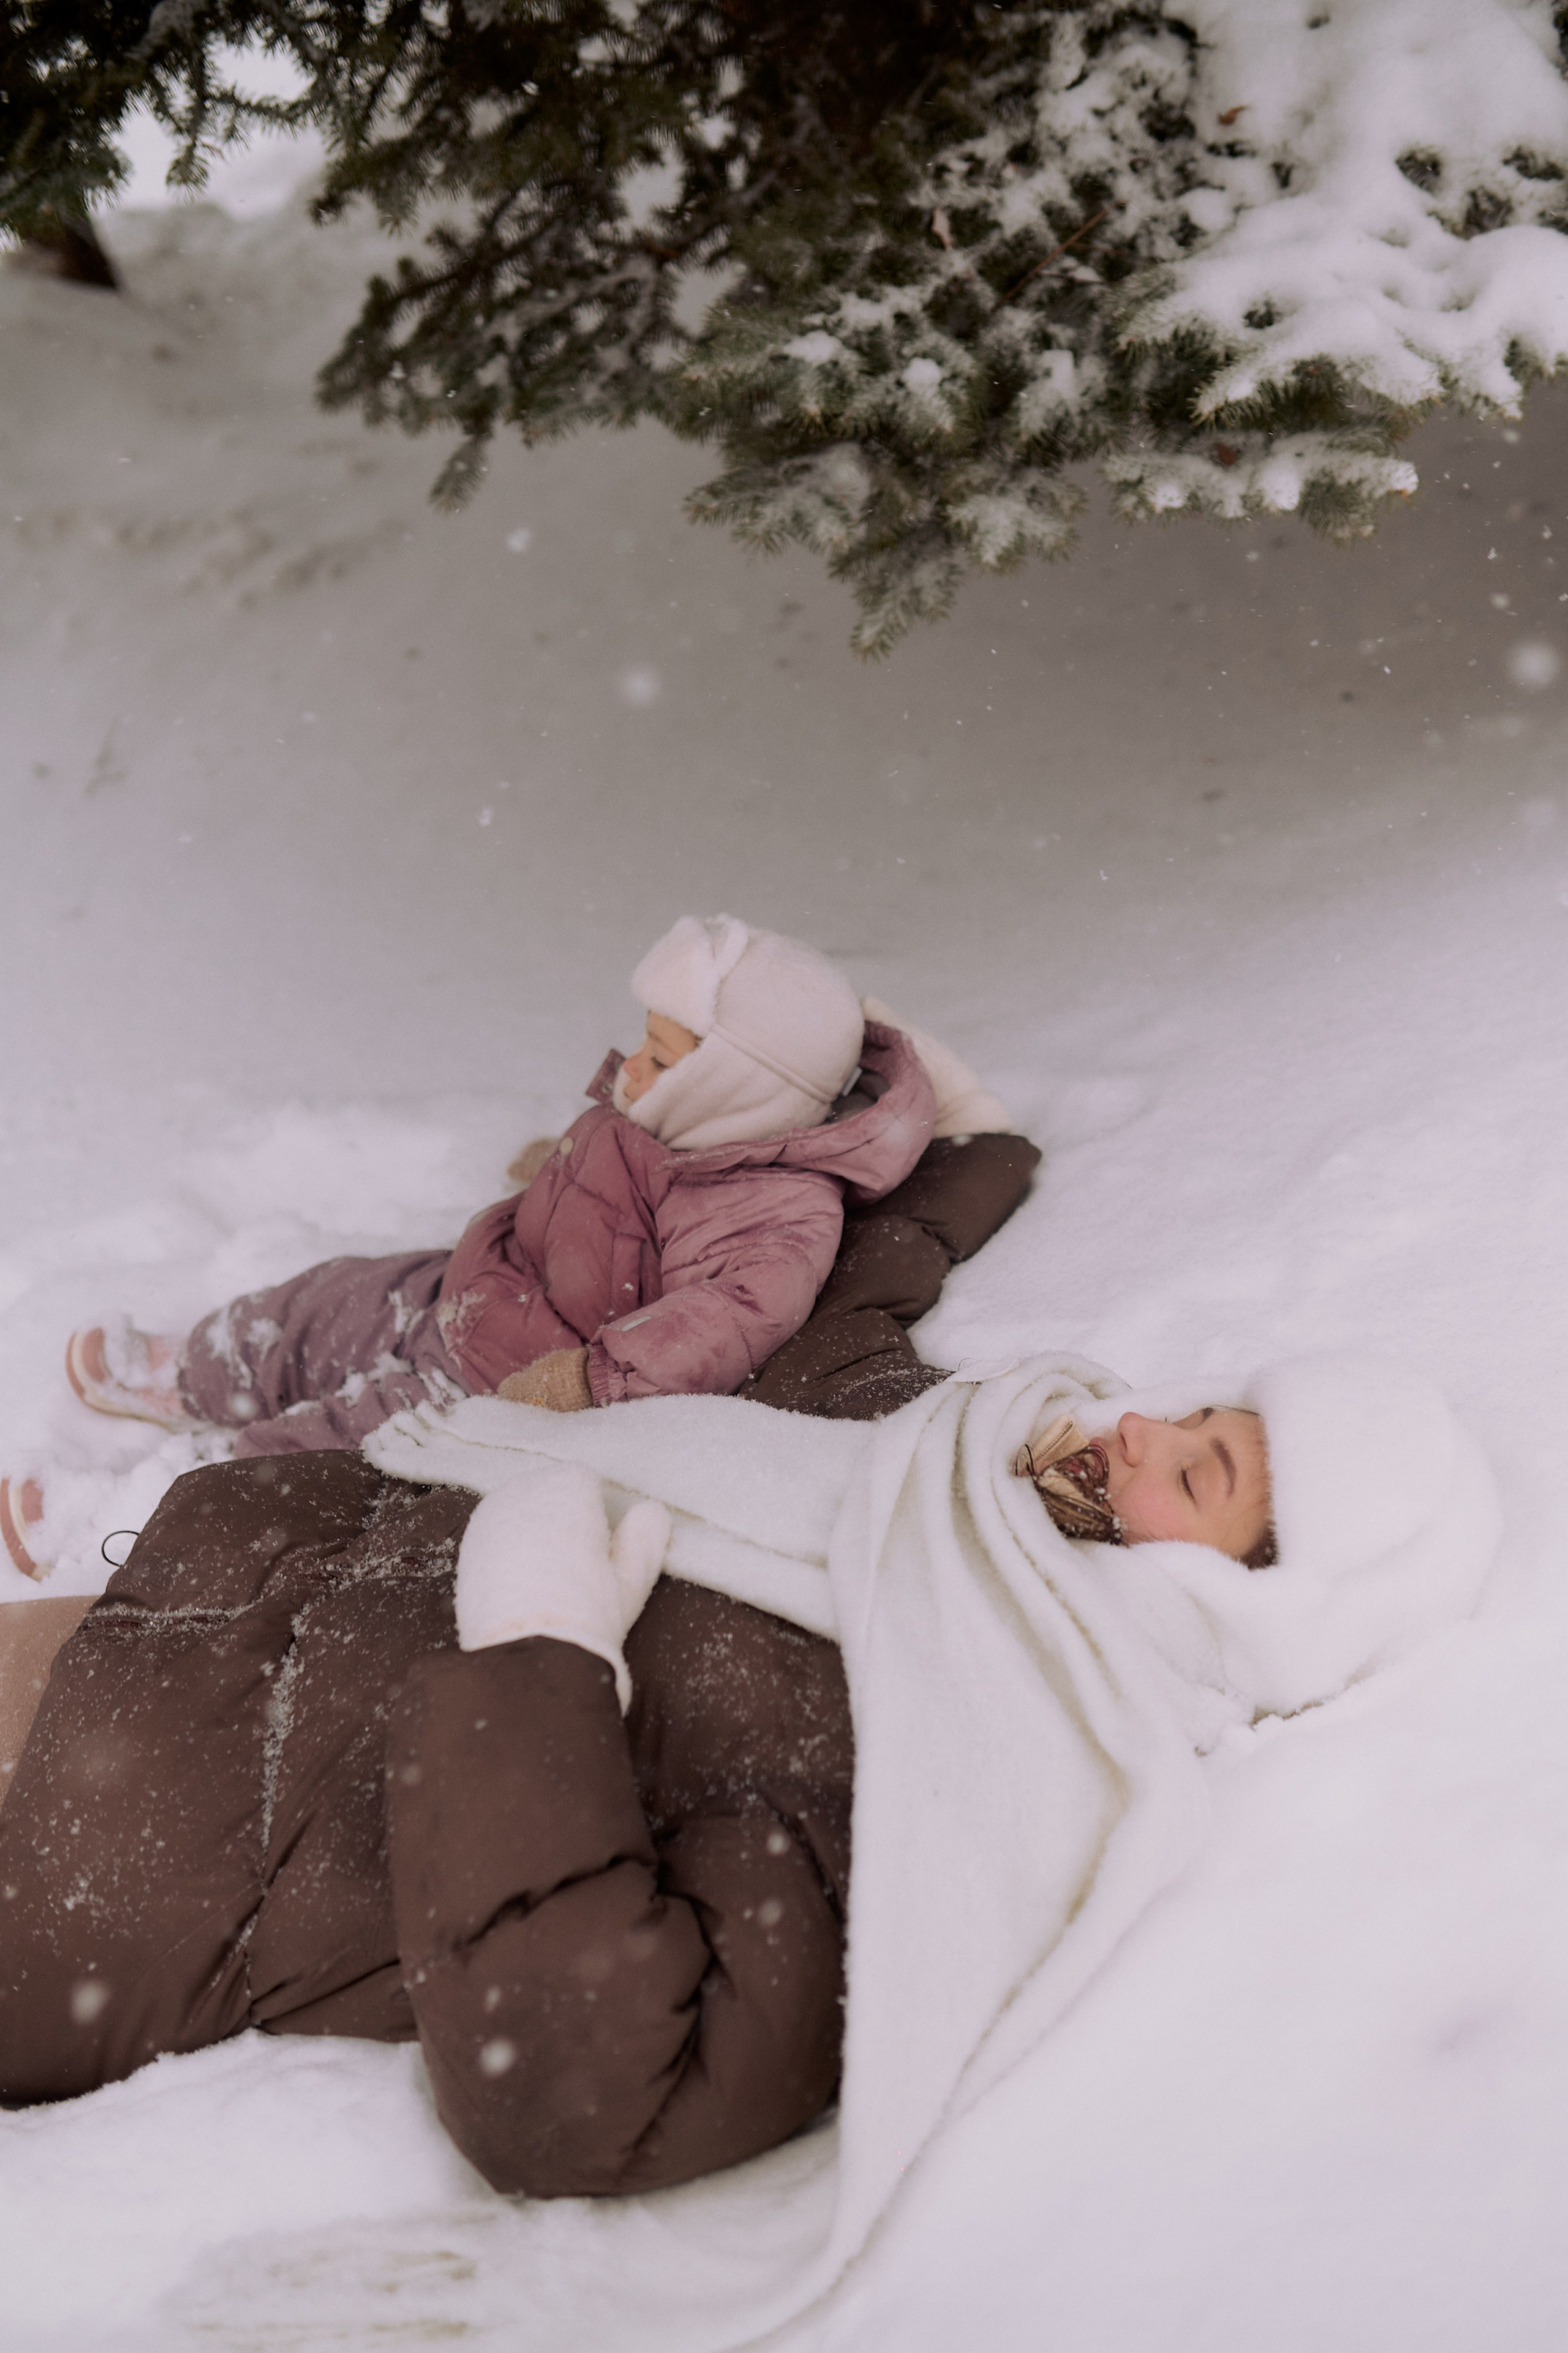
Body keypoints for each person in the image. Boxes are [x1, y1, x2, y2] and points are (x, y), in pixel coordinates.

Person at [0, 1345, 1499, 2212]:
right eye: (1195, 1409)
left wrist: (536, 1661)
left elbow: (586, 2091)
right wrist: (911, 1131)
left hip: (107, 1859)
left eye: (1204, 1471)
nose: (1136, 1429)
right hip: (174, 1637)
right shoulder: (961, 1495)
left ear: (1254, 1604)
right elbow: (819, 1347)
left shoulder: (979, 1757)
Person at [2, 916, 1018, 1576]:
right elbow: (625, 1188)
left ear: (737, 1083)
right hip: (474, 1283)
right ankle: (198, 1365)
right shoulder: (684, 1117)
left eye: (665, 1052)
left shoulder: (776, 1212)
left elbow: (724, 1322)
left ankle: (123, 1529)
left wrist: (586, 1381)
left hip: (506, 1378)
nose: (635, 1065)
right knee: (321, 1305)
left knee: (305, 1457)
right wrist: (564, 1169)